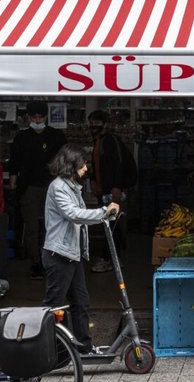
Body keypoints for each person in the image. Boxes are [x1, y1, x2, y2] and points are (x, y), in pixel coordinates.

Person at [42, 144, 120, 355]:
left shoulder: (71, 185)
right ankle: (46, 351)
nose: (86, 168)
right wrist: (104, 212)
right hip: (59, 255)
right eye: (83, 163)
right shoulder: (58, 187)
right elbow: (73, 214)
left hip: (72, 254)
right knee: (54, 305)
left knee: (81, 303)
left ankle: (83, 349)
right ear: (71, 164)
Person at [9, 102, 66, 280]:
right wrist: (14, 182)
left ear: (46, 117)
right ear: (28, 118)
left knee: (53, 225)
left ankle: (53, 260)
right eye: (34, 117)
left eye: (40, 117)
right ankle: (36, 262)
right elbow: (14, 161)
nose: (37, 120)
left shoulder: (56, 136)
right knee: (32, 226)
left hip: (53, 187)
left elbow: (65, 160)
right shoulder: (22, 137)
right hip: (29, 187)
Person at [86, 109, 136, 273]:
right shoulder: (98, 141)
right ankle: (114, 258)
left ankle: (109, 259)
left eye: (97, 123)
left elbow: (119, 165)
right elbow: (97, 165)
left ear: (106, 124)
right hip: (104, 191)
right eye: (91, 123)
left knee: (110, 225)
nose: (94, 126)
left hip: (112, 191)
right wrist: (93, 180)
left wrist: (117, 187)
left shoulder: (110, 141)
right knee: (110, 223)